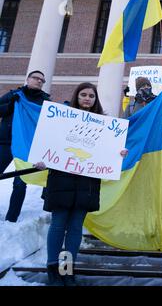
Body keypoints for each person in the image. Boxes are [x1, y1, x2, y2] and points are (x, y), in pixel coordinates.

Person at [34, 82, 128, 286]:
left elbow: (107, 152)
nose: (87, 98)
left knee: (76, 227)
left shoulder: (104, 124)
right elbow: (47, 143)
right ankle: (53, 270)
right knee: (58, 225)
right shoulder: (60, 119)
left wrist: (117, 152)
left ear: (96, 100)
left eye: (91, 96)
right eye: (84, 94)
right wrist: (41, 158)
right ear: (77, 96)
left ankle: (67, 270)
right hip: (61, 179)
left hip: (87, 182)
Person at [0, 70, 50, 222]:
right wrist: (11, 104)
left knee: (20, 182)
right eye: (36, 78)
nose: (39, 81)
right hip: (6, 141)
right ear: (27, 79)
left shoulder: (46, 102)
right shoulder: (14, 95)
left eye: (42, 80)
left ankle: (11, 219)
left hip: (28, 146)